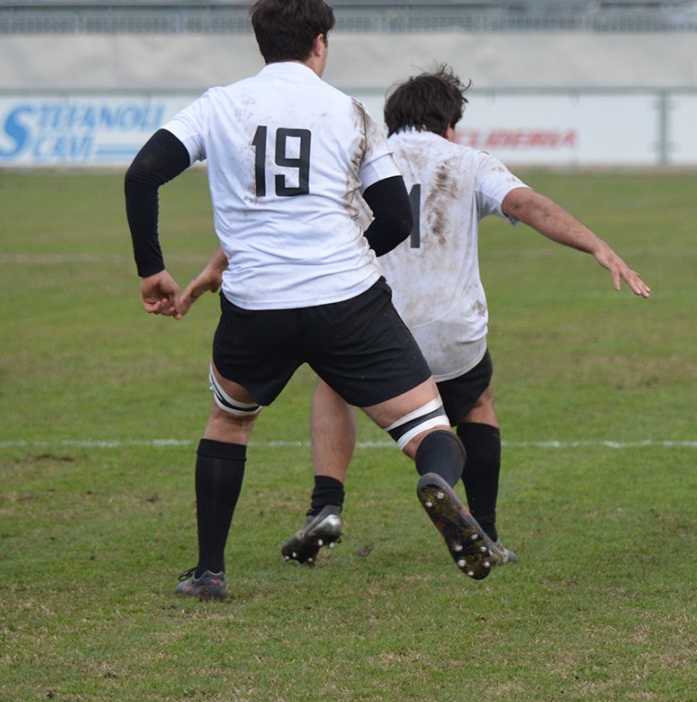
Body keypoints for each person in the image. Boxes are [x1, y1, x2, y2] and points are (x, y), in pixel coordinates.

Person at [179, 66, 649, 567]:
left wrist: (213, 268)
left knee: (332, 385)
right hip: (452, 330)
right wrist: (597, 246)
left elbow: (291, 224)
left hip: (368, 323)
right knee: (476, 405)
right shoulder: (468, 161)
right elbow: (528, 204)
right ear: (448, 124)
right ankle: (484, 529)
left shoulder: (359, 157)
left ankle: (327, 505)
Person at [122, 0, 497, 602]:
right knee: (430, 427)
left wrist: (152, 269)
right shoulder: (349, 113)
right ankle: (436, 480)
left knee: (228, 424)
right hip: (347, 302)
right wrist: (345, 260)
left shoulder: (220, 105)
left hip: (254, 304)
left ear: (262, 43)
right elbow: (395, 219)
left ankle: (210, 572)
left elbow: (143, 173)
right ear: (320, 43)